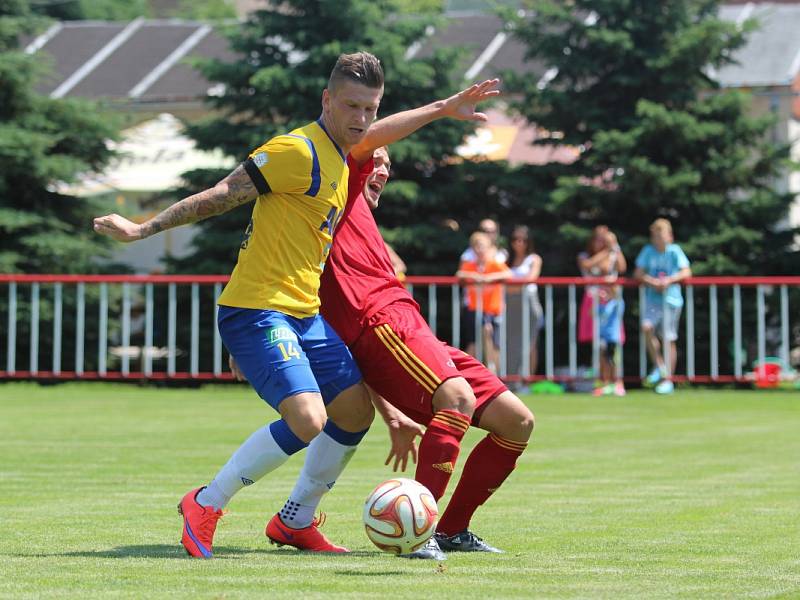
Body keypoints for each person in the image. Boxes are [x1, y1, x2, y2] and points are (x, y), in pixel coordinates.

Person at [93, 51, 500, 559]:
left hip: (303, 314)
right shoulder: (296, 150)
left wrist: (443, 107)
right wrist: (141, 229)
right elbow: (221, 194)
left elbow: (385, 132)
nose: (361, 118)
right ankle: (205, 502)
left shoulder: (342, 152)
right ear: (326, 100)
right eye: (350, 105)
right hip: (256, 309)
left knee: (353, 412)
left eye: (369, 109)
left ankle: (295, 521)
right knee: (309, 420)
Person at [258, 144, 534, 561]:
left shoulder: (363, 217)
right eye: (376, 161)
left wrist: (392, 415)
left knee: (517, 422)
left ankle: (451, 530)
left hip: (412, 330)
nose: (382, 170)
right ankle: (418, 537)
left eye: (388, 164)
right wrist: (441, 110)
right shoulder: (338, 190)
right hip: (383, 326)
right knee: (457, 399)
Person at [634, 218, 691, 395]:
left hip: (671, 300)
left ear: (669, 236)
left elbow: (686, 271)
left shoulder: (675, 251)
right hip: (653, 299)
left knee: (668, 338)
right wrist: (651, 282)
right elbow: (638, 273)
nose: (659, 240)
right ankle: (660, 366)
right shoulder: (648, 251)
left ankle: (668, 379)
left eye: (662, 236)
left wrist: (669, 280)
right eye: (656, 237)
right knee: (647, 327)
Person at [577, 226, 627, 396]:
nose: (601, 243)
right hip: (594, 302)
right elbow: (589, 265)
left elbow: (622, 267)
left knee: (614, 342)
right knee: (599, 344)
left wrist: (615, 248)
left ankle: (617, 381)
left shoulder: (613, 254)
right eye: (598, 239)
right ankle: (603, 381)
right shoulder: (586, 256)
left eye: (604, 240)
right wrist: (608, 251)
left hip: (611, 303)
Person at [457, 231, 511, 373]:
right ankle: (467, 374)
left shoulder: (494, 264)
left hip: (493, 309)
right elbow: (460, 274)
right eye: (477, 246)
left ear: (489, 248)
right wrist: (475, 276)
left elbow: (508, 274)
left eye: (483, 246)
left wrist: (489, 278)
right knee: (474, 342)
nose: (480, 250)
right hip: (474, 309)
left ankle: (495, 376)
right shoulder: (470, 265)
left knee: (494, 343)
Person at [504, 225, 543, 390]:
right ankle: (511, 381)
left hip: (528, 304)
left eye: (523, 240)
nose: (519, 243)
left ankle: (526, 381)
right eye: (515, 239)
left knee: (529, 343)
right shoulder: (506, 259)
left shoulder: (534, 258)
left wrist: (510, 286)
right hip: (510, 306)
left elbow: (531, 278)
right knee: (510, 344)